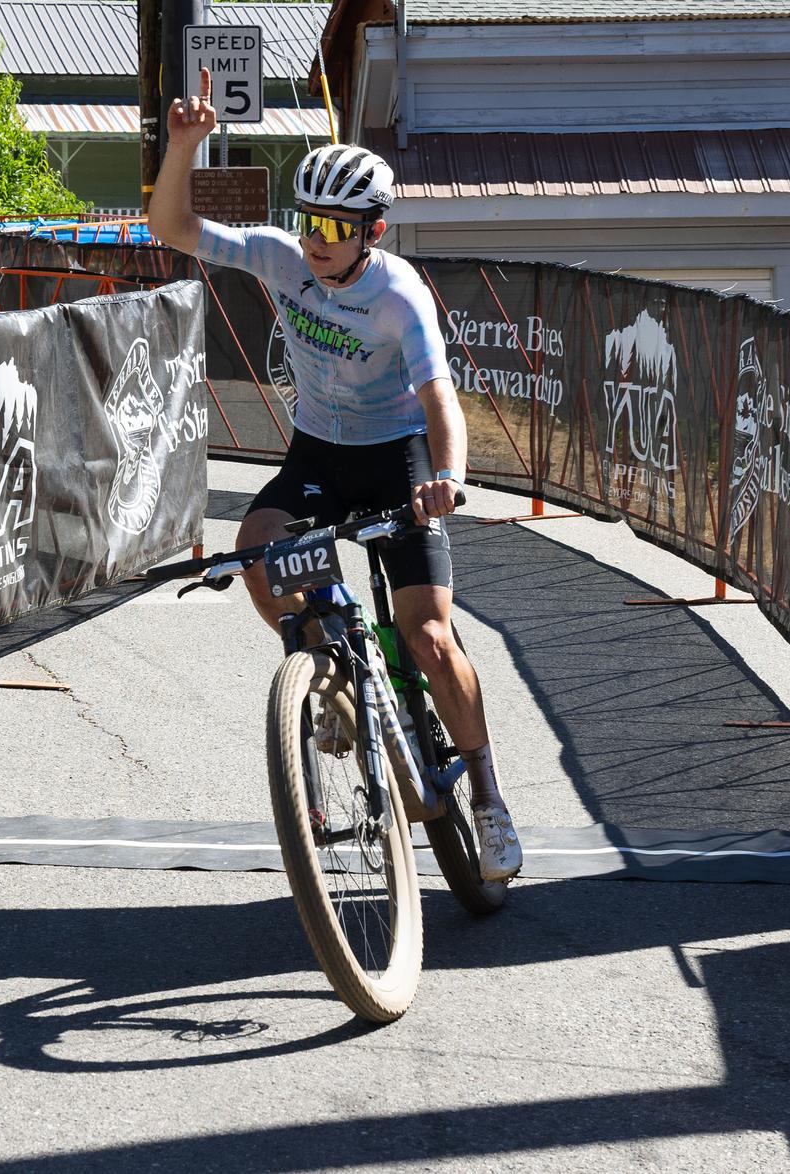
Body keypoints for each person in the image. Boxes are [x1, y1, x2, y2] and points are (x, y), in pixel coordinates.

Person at [147, 69, 522, 882]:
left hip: (397, 460)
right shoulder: (284, 261)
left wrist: (448, 475)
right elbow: (173, 225)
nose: (316, 238)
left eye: (335, 226)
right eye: (308, 219)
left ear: (373, 231)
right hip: (318, 453)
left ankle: (488, 792)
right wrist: (183, 148)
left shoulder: (400, 298)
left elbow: (438, 397)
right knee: (256, 552)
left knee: (427, 634)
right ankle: (331, 677)